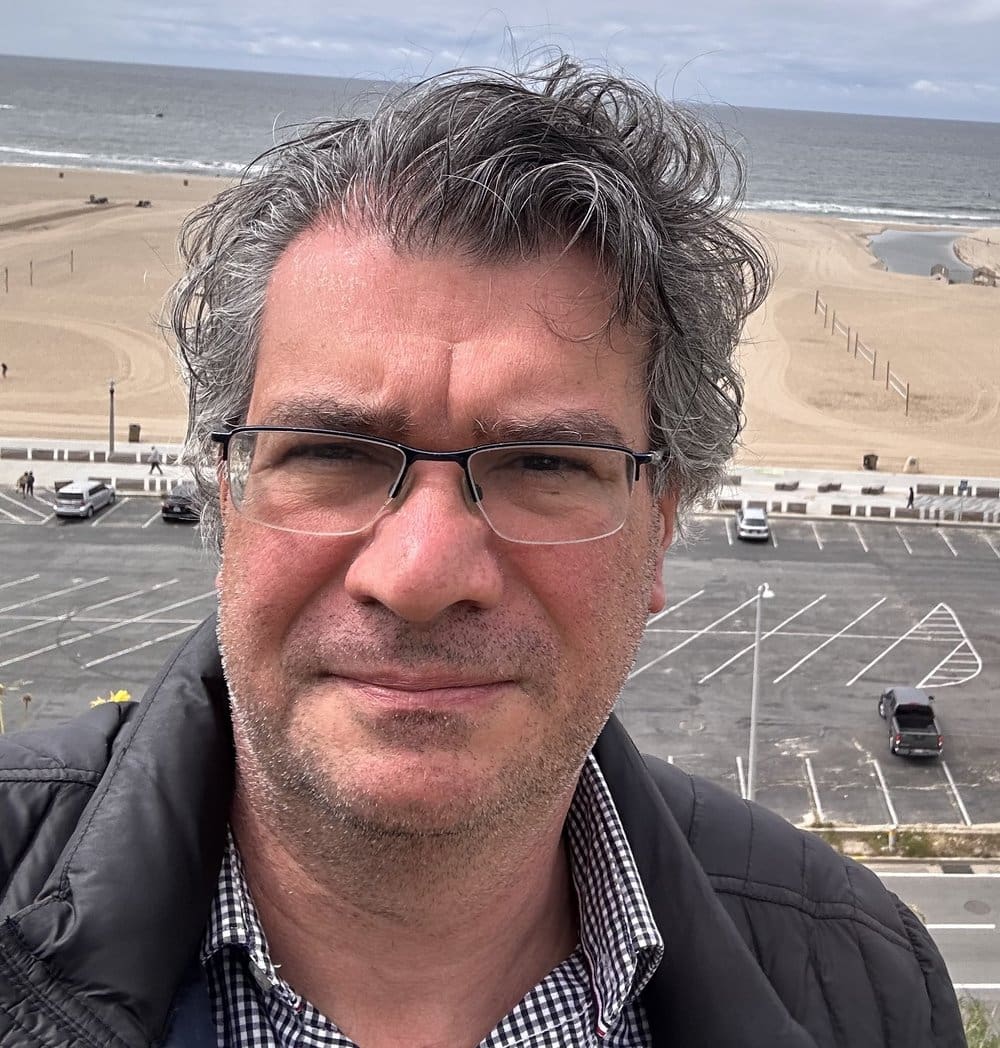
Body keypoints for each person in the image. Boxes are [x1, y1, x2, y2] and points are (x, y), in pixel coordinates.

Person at [0, 59, 964, 1048]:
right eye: (330, 452)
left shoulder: (859, 986)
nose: (418, 574)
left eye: (543, 462)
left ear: (662, 523)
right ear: (226, 493)